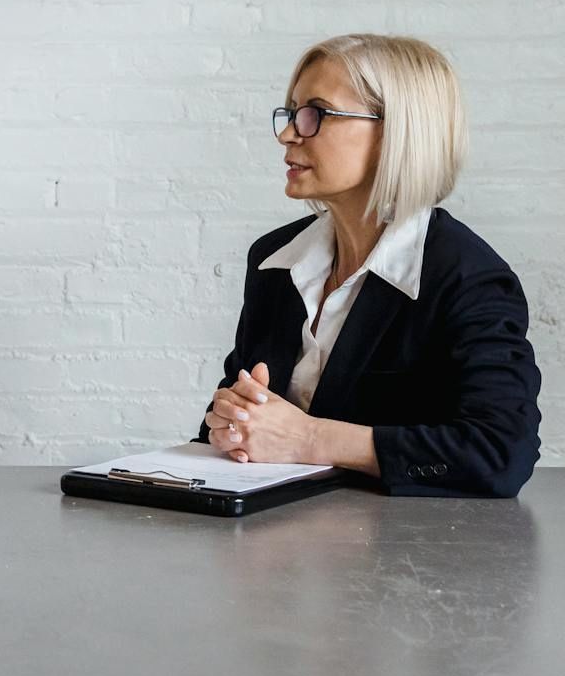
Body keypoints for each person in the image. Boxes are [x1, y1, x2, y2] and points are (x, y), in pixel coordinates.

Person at [199, 34, 541, 497]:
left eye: (316, 113)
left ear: (395, 131)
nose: (288, 133)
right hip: (272, 548)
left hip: (406, 556)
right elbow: (249, 427)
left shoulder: (467, 278)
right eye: (293, 111)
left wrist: (310, 438)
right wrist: (230, 424)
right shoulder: (272, 262)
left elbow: (499, 452)